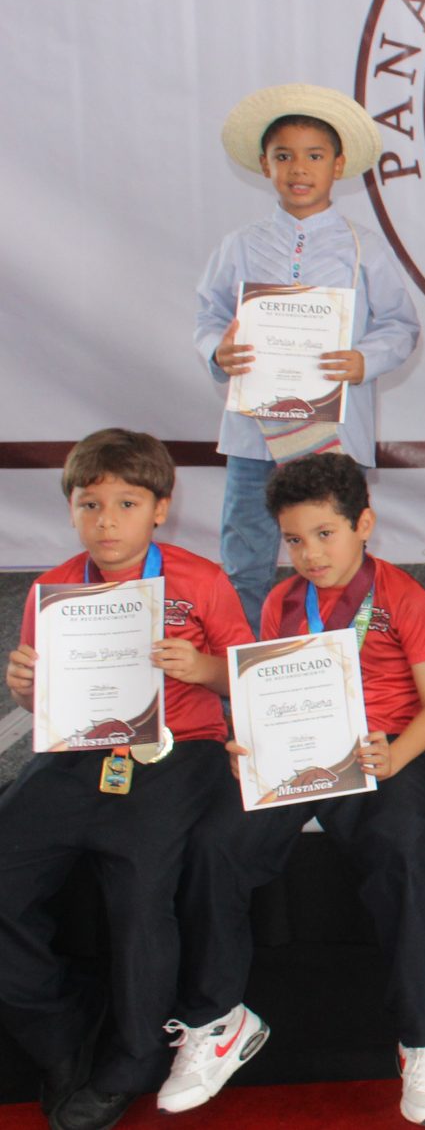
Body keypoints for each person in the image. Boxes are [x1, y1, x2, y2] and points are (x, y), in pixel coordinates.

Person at [158, 454, 425, 1123]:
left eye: (325, 534)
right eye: (294, 540)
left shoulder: (404, 596)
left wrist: (393, 756)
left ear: (364, 525)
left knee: (406, 854)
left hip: (379, 752)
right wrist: (249, 743)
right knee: (213, 845)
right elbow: (268, 689)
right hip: (296, 754)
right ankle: (219, 1018)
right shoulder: (280, 601)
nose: (311, 554)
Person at [0, 430, 251, 1130]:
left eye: (126, 503)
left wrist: (202, 668)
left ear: (160, 508)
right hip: (77, 754)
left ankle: (132, 1061)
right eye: (90, 504)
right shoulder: (53, 589)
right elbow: (45, 705)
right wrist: (25, 689)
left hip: (179, 751)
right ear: (72, 509)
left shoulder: (200, 580)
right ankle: (59, 1029)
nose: (106, 521)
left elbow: (247, 676)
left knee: (141, 895)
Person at [197, 84, 421, 629]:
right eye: (284, 156)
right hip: (255, 434)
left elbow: (401, 324)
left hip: (333, 434)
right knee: (246, 554)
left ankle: (342, 661)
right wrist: (218, 350)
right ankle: (246, 660)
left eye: (315, 156)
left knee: (336, 556)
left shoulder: (364, 245)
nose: (299, 168)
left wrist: (364, 360)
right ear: (264, 164)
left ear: (338, 165)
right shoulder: (240, 244)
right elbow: (209, 316)